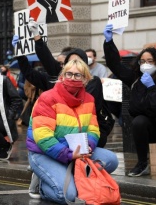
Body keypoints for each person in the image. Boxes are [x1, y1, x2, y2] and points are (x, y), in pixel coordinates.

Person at [27, 59, 118, 204]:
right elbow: (42, 137)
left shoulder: (89, 99)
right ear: (62, 76)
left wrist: (89, 146)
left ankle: (69, 176)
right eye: (68, 74)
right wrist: (69, 155)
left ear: (85, 79)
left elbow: (94, 129)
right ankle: (42, 185)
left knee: (112, 160)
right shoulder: (47, 98)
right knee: (68, 196)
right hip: (43, 153)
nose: (72, 78)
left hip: (76, 152)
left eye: (77, 75)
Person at [27, 18, 115, 148]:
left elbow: (88, 110)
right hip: (65, 132)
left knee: (109, 159)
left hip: (86, 130)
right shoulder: (62, 78)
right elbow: (47, 60)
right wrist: (37, 37)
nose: (74, 67)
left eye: (78, 62)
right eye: (70, 63)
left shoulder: (93, 82)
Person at [103, 23, 156, 177]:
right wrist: (109, 42)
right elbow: (115, 65)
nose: (146, 64)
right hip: (150, 129)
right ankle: (142, 164)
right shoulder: (136, 79)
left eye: (150, 61)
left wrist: (153, 89)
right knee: (139, 121)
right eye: (142, 61)